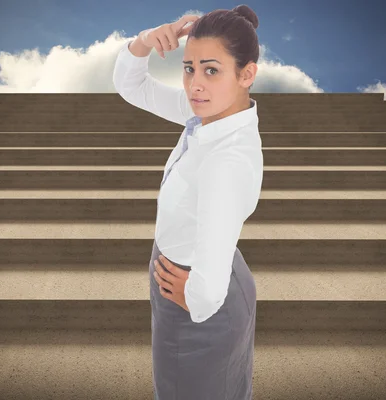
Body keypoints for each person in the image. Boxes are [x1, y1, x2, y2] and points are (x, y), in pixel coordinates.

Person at [112, 5, 262, 399]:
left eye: (211, 70)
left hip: (199, 301)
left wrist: (194, 301)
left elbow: (209, 292)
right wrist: (147, 39)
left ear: (246, 74)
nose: (195, 83)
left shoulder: (226, 159)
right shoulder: (207, 116)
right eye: (189, 67)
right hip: (197, 275)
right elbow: (132, 87)